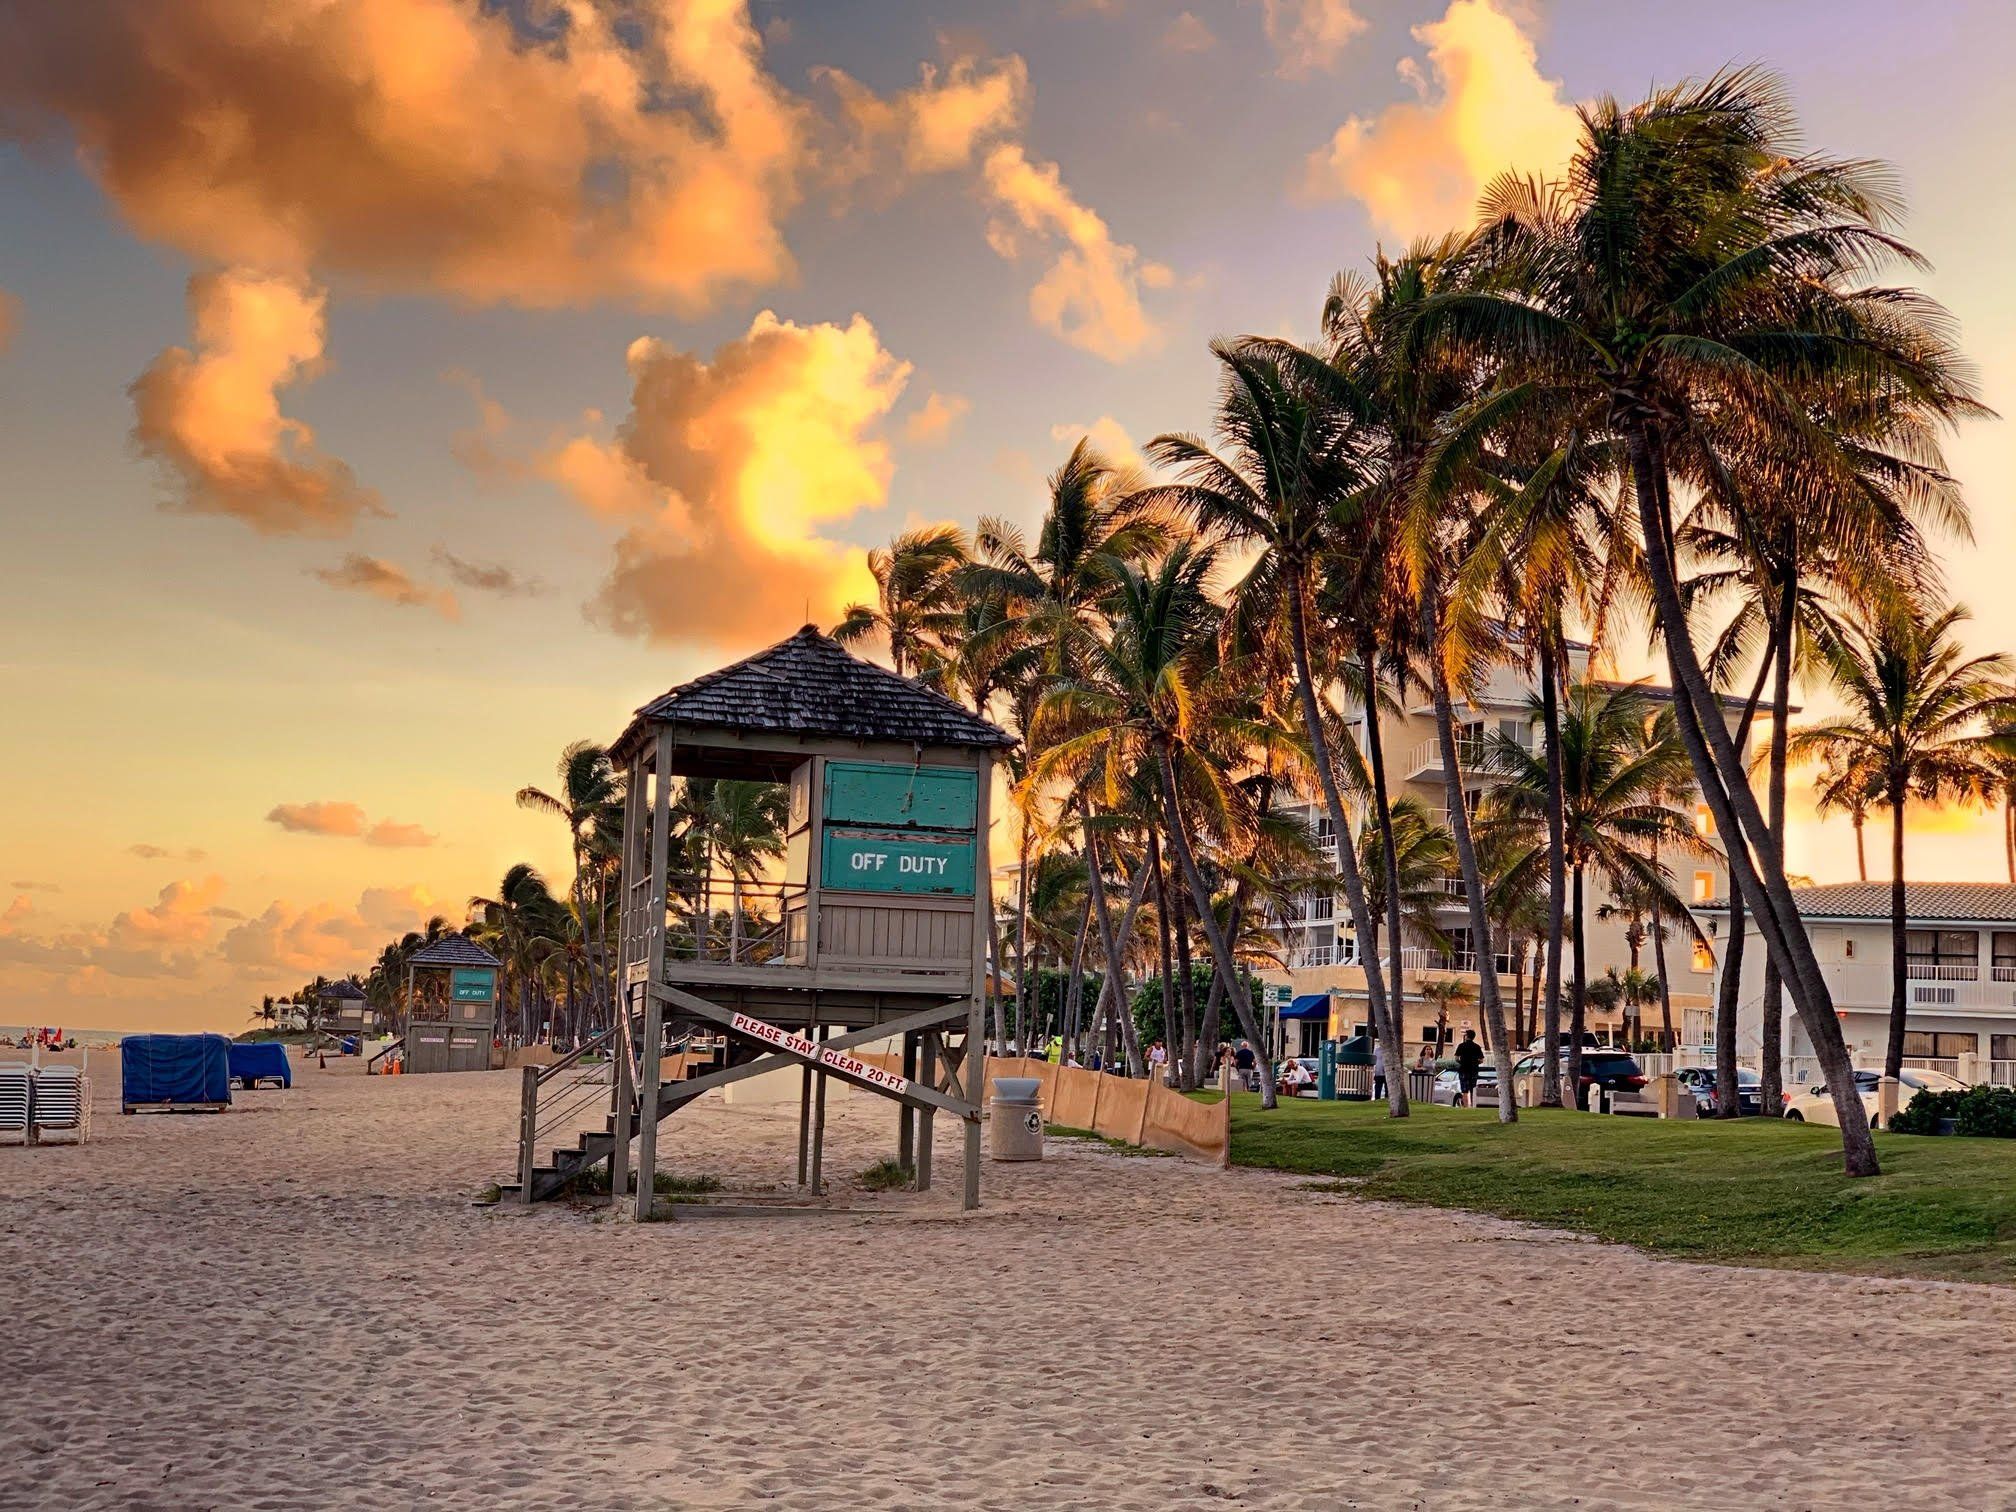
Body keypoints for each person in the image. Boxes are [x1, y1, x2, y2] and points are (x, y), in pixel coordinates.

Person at [1455, 1029, 1484, 1107]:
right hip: (1473, 1070)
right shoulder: (1477, 1047)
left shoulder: (1461, 1046)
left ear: (1467, 1036)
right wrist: (1475, 1063)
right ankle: (1472, 1105)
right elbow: (1481, 1060)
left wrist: (1462, 1062)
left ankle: (1466, 1106)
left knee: (1464, 1090)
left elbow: (1456, 1058)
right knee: (1472, 1089)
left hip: (1464, 1069)